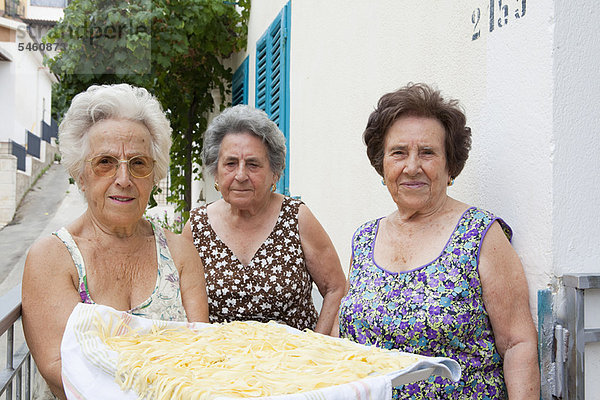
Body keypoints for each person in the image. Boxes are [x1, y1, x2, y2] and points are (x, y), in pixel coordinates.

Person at [336, 83, 540, 399]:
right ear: (383, 163)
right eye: (399, 152)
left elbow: (517, 344)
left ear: (450, 165)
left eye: (428, 153)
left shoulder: (480, 234)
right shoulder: (364, 240)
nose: (412, 166)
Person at [22, 84, 209, 400]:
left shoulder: (179, 252)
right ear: (81, 174)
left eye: (138, 163)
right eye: (105, 162)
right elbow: (60, 371)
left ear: (154, 176)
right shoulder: (53, 258)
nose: (124, 179)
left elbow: (202, 351)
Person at [181, 105, 346, 334]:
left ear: (274, 173)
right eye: (230, 164)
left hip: (293, 363)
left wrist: (318, 345)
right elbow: (182, 304)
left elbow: (335, 287)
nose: (240, 175)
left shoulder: (296, 217)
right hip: (221, 366)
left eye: (253, 164)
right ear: (215, 172)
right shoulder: (197, 227)